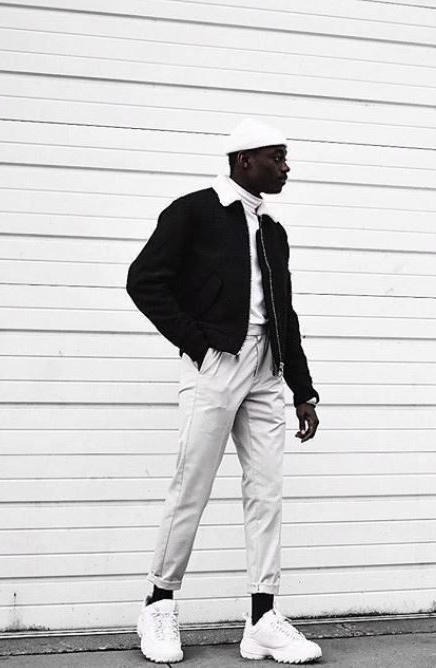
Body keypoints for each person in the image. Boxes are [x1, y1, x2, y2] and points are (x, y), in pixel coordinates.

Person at [126, 118, 322, 664]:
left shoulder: (273, 230)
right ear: (244, 160)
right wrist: (197, 344)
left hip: (267, 369)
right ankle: (158, 604)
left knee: (266, 492)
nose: (286, 168)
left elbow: (285, 312)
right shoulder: (194, 211)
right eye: (276, 157)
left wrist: (302, 389)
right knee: (191, 484)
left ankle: (262, 618)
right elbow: (144, 281)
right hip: (218, 363)